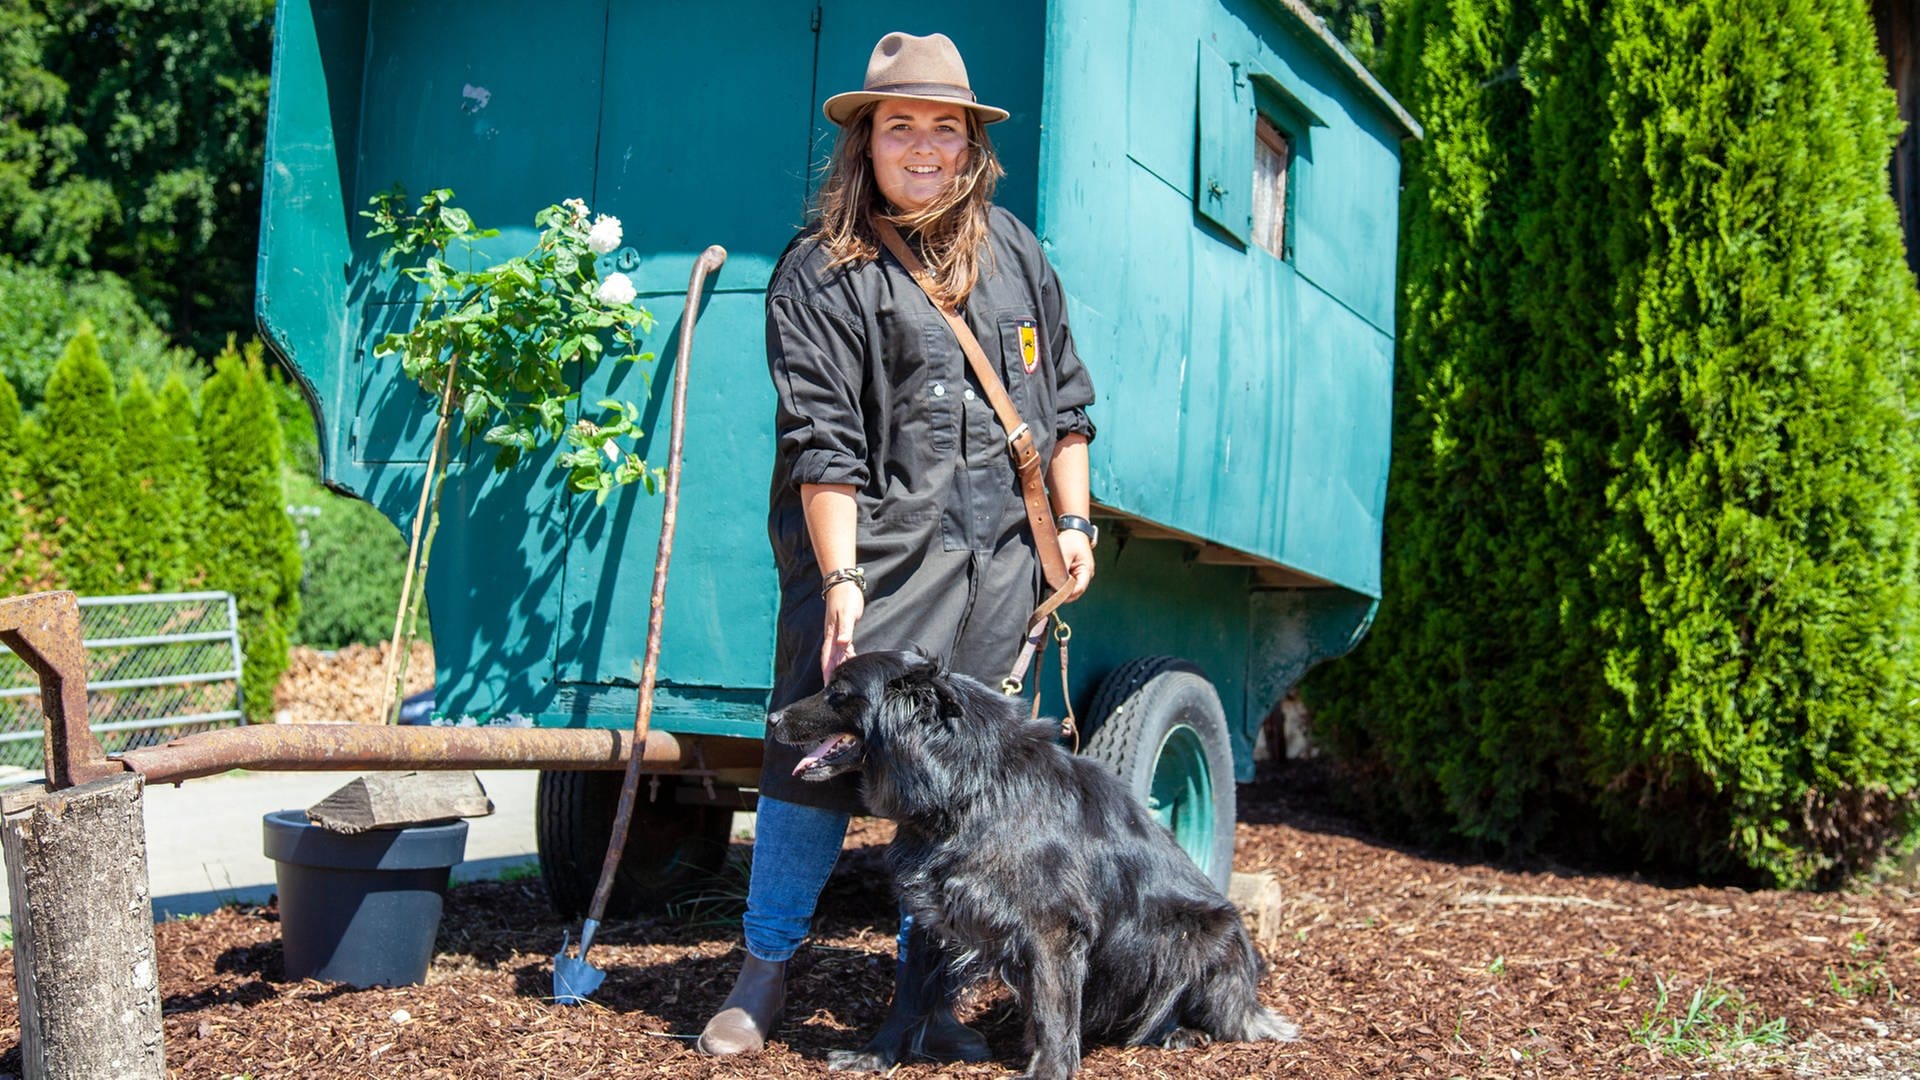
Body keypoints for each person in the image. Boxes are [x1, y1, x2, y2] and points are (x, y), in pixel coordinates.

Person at [696, 30, 1098, 1059]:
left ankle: (924, 997)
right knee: (814, 764)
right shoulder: (823, 271)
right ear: (864, 140)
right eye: (901, 125)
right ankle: (765, 968)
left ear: (973, 145)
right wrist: (838, 583)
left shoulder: (1018, 253)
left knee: (959, 782)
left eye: (945, 128)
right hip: (874, 566)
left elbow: (1064, 407)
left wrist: (1076, 520)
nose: (924, 147)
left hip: (1000, 567)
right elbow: (819, 442)